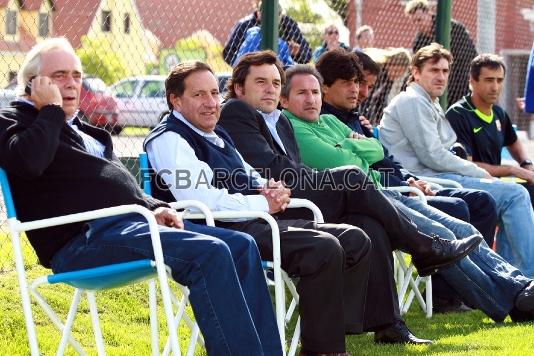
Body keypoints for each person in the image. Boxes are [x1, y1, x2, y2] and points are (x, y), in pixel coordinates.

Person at [0, 37, 283, 355]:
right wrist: (49, 110)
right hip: (81, 241)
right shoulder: (14, 122)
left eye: (77, 76)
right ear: (32, 83)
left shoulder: (87, 131)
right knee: (211, 252)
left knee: (241, 246)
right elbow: (27, 161)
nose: (71, 84)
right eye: (60, 76)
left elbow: (119, 187)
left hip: (131, 226)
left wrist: (155, 206)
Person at [218, 50, 482, 344]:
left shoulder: (278, 121)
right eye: (261, 82)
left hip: (296, 199)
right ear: (240, 88)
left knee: (370, 224)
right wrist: (332, 178)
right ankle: (423, 246)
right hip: (268, 209)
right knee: (351, 176)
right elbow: (272, 169)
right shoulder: (237, 112)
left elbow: (302, 166)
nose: (270, 89)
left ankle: (388, 324)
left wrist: (327, 175)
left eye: (275, 83)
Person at [144, 61, 374, 355]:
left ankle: (324, 334)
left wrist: (272, 187)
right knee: (324, 247)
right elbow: (204, 202)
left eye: (214, 93)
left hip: (256, 220)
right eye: (199, 95)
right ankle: (323, 349)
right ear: (176, 100)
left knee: (354, 238)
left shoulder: (216, 133)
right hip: (223, 231)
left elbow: (249, 174)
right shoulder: (170, 138)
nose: (212, 103)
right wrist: (262, 203)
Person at [283, 63, 534, 323]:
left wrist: (350, 148)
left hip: (385, 191)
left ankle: (520, 285)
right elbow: (343, 164)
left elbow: (377, 150)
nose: (311, 99)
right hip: (360, 204)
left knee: (463, 229)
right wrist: (353, 146)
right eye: (302, 93)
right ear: (285, 100)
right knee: (444, 236)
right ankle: (509, 302)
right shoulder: (293, 127)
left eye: (314, 92)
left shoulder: (329, 120)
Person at [379, 42, 534, 279]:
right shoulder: (412, 101)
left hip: (437, 176)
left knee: (511, 195)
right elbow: (433, 156)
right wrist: (477, 171)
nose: (441, 76)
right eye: (434, 70)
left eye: (444, 71)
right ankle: (521, 277)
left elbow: (446, 150)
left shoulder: (429, 101)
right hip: (420, 181)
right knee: (515, 195)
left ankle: (511, 276)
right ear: (416, 72)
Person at [322, 49, 498, 248]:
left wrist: (409, 179)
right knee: (459, 207)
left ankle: (490, 275)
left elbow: (386, 160)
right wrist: (405, 184)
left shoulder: (356, 120)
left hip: (404, 186)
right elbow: (363, 170)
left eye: (360, 83)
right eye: (349, 83)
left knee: (483, 202)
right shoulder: (323, 122)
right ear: (325, 86)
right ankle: (472, 277)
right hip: (383, 197)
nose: (358, 90)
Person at [446, 53, 534, 207]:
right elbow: (466, 165)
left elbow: (513, 142)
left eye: (499, 80)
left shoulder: (499, 113)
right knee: (518, 195)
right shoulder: (458, 114)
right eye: (489, 80)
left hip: (494, 184)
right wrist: (512, 170)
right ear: (472, 81)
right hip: (470, 187)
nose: (495, 87)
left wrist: (525, 163)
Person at [405, 0, 477, 107]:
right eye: (414, 21)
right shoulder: (419, 41)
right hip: (437, 86)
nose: (417, 24)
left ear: (428, 13)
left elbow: (469, 56)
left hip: (461, 79)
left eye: (419, 20)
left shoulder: (453, 28)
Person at [223, 0, 311, 65]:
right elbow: (228, 53)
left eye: (278, 14)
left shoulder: (289, 24)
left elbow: (307, 55)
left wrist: (298, 52)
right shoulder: (246, 25)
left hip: (282, 73)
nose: (274, 18)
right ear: (259, 13)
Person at [359, 48, 411, 125]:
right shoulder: (382, 77)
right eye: (395, 71)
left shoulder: (401, 82)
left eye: (399, 73)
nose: (395, 74)